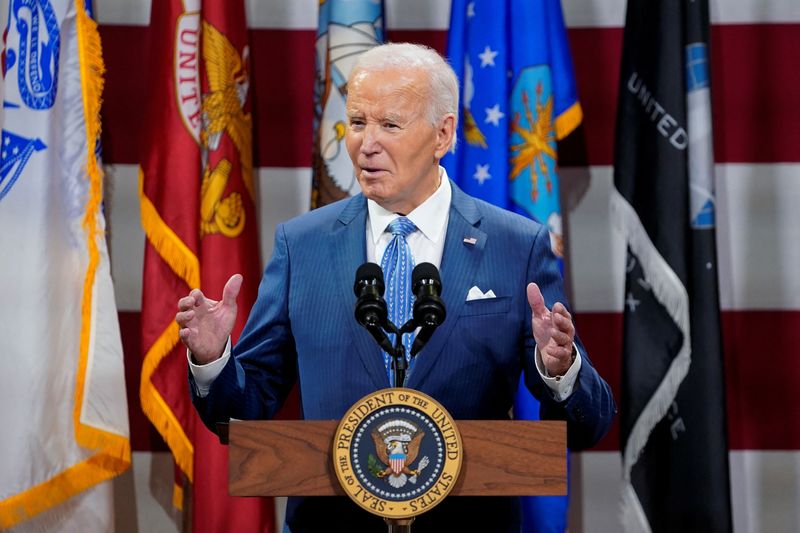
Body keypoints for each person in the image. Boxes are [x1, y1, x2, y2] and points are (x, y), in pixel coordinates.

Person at [177, 43, 615, 532]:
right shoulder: (302, 245)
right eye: (357, 122)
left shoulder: (516, 245)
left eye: (389, 125)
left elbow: (587, 424)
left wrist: (560, 369)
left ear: (443, 134)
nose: (366, 143)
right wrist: (214, 361)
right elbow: (246, 408)